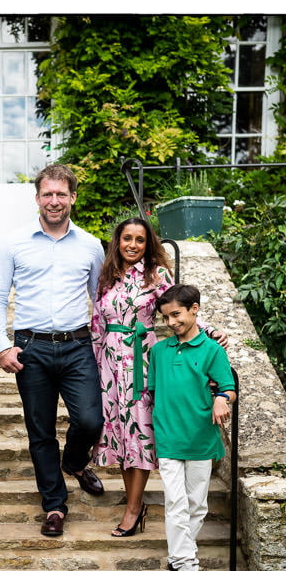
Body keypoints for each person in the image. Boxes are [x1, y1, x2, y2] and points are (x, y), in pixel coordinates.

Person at [0, 164, 105, 538]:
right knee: (40, 432)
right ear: (37, 198)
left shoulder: (90, 245)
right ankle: (54, 505)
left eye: (61, 194)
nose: (54, 201)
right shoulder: (13, 243)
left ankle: (74, 462)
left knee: (90, 420)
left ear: (72, 198)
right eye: (47, 194)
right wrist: (2, 346)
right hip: (31, 348)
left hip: (77, 346)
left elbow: (100, 298)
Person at [91, 218, 228, 537]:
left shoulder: (156, 275)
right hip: (109, 364)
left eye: (140, 240)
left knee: (139, 433)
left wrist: (208, 331)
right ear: (118, 241)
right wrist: (94, 366)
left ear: (147, 243)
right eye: (127, 238)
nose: (133, 245)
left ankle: (134, 509)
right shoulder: (106, 276)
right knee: (122, 436)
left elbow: (179, 306)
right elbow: (97, 323)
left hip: (141, 358)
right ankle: (133, 502)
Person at [148, 284, 236, 571]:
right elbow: (155, 393)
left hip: (201, 438)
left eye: (176, 315)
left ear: (194, 309)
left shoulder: (213, 350)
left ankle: (177, 562)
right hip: (169, 439)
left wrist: (221, 400)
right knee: (176, 503)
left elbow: (228, 387)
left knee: (196, 506)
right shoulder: (158, 351)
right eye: (166, 317)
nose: (171, 322)